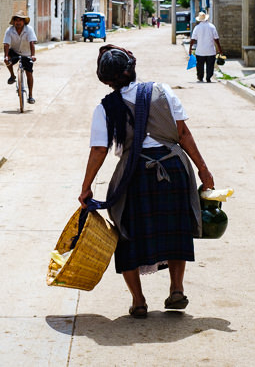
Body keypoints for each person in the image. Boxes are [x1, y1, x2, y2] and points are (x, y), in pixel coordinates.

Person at [78, 45, 215, 319]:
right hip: (174, 169)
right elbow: (183, 133)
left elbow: (99, 150)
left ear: (106, 79)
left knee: (127, 233)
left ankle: (139, 301)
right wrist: (203, 169)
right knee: (177, 228)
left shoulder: (105, 108)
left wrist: (86, 187)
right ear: (132, 69)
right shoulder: (163, 91)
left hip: (135, 173)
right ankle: (176, 289)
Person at [3, 10, 37, 104]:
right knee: (7, 59)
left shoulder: (29, 29)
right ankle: (12, 75)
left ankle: (30, 96)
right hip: (15, 52)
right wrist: (6, 56)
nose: (18, 22)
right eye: (16, 20)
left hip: (27, 53)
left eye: (20, 20)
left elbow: (32, 42)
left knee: (29, 73)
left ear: (24, 21)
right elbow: (6, 44)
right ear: (13, 22)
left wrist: (33, 55)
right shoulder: (9, 30)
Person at [188, 12, 222, 83]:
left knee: (200, 66)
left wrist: (190, 48)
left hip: (200, 51)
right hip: (210, 51)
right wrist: (219, 49)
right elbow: (216, 39)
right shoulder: (212, 26)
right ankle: (208, 77)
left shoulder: (197, 28)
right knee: (210, 65)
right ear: (206, 18)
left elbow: (193, 39)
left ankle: (200, 77)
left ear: (199, 19)